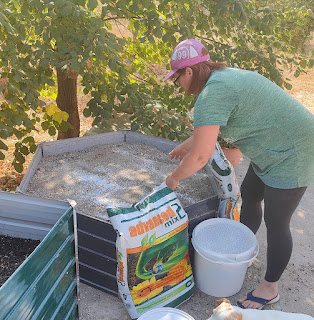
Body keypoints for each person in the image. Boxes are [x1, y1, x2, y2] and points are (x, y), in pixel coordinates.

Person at [163, 38, 314, 310]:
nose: (178, 87)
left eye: (177, 79)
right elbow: (209, 132)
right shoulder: (221, 78)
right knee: (252, 195)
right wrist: (184, 146)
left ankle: (270, 288)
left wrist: (173, 179)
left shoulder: (211, 95)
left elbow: (200, 155)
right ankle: (241, 252)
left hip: (296, 151)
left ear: (188, 72)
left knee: (277, 221)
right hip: (273, 147)